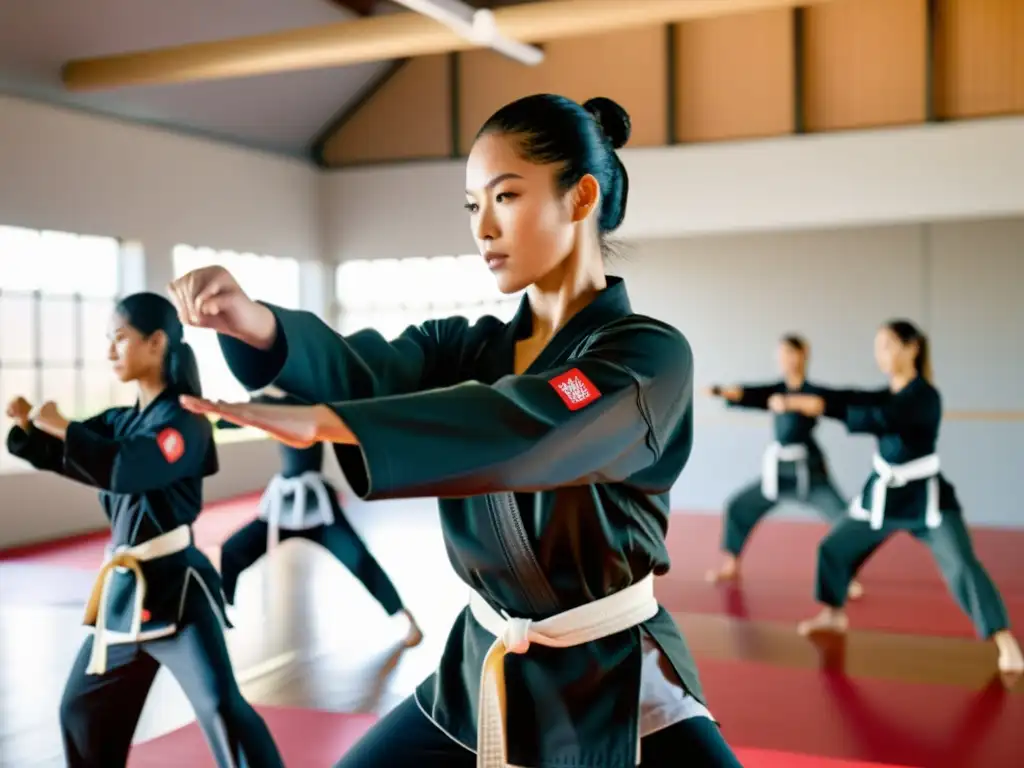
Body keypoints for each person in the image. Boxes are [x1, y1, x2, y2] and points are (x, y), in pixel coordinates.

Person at [167, 94, 743, 767]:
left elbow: (531, 426)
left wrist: (332, 424)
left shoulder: (646, 359)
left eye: (505, 197)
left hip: (613, 681)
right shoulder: (464, 348)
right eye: (473, 206)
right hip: (480, 669)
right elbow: (365, 370)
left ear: (579, 198)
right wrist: (258, 325)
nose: (484, 228)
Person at [5, 292, 284, 768]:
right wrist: (27, 426)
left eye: (119, 340)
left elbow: (126, 466)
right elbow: (70, 455)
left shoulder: (186, 420)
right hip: (124, 596)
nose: (110, 352)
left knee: (220, 708)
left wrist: (64, 428)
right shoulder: (122, 420)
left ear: (156, 343)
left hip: (178, 590)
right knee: (82, 710)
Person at [771, 319, 1023, 674]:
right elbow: (850, 397)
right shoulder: (887, 391)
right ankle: (833, 613)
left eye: (888, 345)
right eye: (878, 347)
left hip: (925, 498)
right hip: (883, 494)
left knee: (962, 564)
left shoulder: (924, 396)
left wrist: (820, 408)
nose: (881, 354)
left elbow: (883, 418)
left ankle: (1004, 640)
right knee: (834, 547)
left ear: (912, 348)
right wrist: (813, 400)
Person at [214, 386, 423, 647]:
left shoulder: (308, 395)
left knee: (357, 557)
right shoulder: (265, 401)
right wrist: (213, 412)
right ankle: (221, 614)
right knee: (232, 550)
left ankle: (402, 616)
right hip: (285, 502)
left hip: (316, 505)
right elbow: (228, 422)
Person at [705, 335, 862, 598]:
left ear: (803, 355)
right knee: (739, 506)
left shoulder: (814, 392)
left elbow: (833, 401)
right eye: (781, 355)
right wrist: (725, 392)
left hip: (810, 471)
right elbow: (752, 394)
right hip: (777, 473)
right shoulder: (775, 390)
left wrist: (792, 403)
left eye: (790, 353)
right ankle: (732, 564)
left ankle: (847, 576)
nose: (785, 360)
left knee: (843, 518)